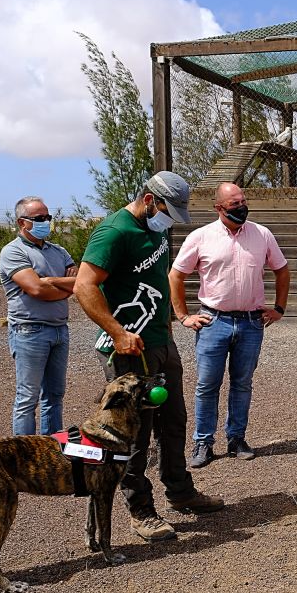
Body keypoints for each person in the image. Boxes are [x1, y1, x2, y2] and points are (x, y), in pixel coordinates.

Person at [74, 170, 224, 544]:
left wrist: (170, 326)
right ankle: (141, 511)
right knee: (134, 432)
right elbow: (84, 285)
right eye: (166, 210)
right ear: (148, 199)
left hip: (160, 344)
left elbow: (157, 279)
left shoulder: (157, 230)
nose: (169, 220)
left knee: (173, 421)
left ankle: (180, 490)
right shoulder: (114, 232)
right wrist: (117, 332)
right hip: (127, 350)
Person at [169, 182, 290, 468]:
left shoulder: (262, 234)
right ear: (218, 208)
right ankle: (203, 442)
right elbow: (176, 276)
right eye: (234, 204)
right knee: (207, 385)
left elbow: (282, 270)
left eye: (243, 201)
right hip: (213, 321)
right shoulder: (201, 237)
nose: (241, 207)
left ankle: (236, 438)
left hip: (251, 322)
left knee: (242, 383)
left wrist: (279, 308)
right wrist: (184, 316)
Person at [0, 196, 77, 436]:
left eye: (48, 217)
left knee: (55, 394)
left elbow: (79, 283)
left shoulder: (58, 251)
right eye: (39, 218)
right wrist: (63, 288)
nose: (46, 222)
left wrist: (51, 281)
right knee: (27, 398)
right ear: (23, 223)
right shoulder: (12, 252)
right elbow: (36, 289)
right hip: (29, 331)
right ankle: (23, 457)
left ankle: (51, 450)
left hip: (59, 330)